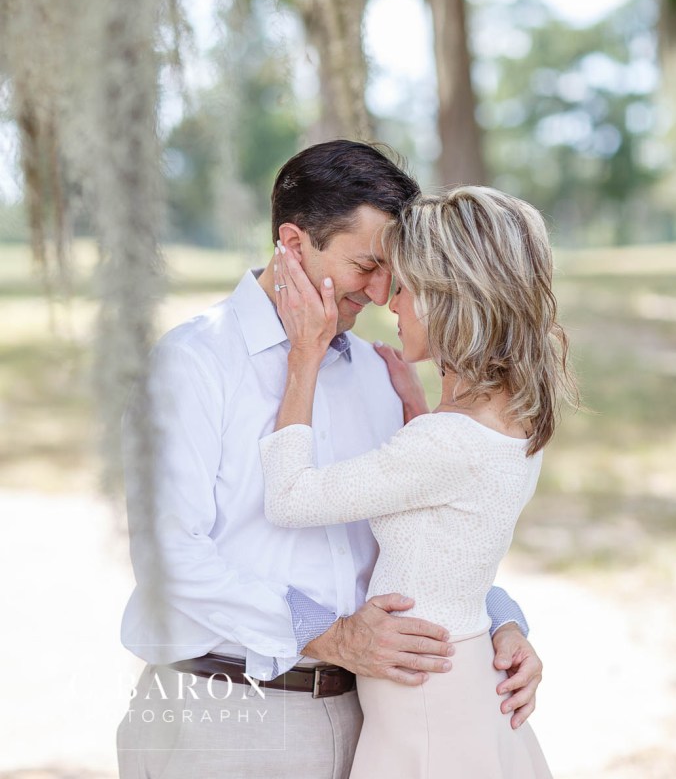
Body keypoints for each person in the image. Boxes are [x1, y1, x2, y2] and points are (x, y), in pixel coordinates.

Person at [117, 140, 544, 779]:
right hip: (235, 718)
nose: (379, 294)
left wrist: (500, 623)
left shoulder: (378, 371)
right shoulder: (193, 364)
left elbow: (428, 532)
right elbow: (169, 557)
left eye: (392, 272)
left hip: (374, 723)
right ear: (293, 243)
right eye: (366, 265)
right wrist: (335, 636)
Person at [260, 185, 575, 777]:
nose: (390, 303)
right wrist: (419, 405)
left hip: (426, 712)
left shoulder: (444, 443)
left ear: (446, 298)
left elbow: (290, 497)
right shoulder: (511, 420)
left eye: (402, 287)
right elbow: (446, 527)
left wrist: (304, 356)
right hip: (454, 686)